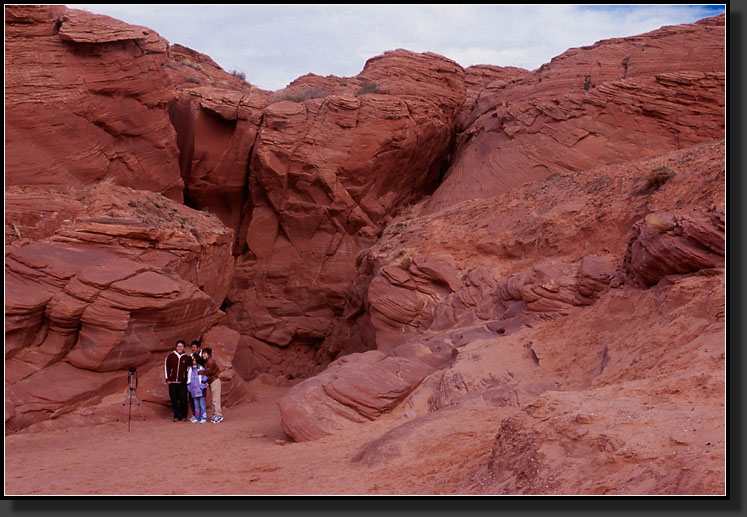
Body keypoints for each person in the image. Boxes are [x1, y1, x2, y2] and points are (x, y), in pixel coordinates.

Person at [164, 340, 190, 421]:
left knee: (183, 399)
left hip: (182, 382)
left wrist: (187, 380)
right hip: (172, 382)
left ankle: (183, 415)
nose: (179, 348)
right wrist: (167, 378)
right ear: (176, 347)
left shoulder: (186, 357)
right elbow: (166, 367)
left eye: (181, 346)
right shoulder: (170, 356)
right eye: (178, 346)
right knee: (174, 399)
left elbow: (188, 370)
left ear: (184, 347)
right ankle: (175, 415)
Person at [200, 348, 223, 423]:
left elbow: (209, 371)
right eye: (203, 353)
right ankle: (215, 414)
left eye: (205, 353)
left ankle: (218, 415)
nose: (204, 354)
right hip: (212, 381)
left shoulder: (210, 361)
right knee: (213, 399)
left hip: (215, 381)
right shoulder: (207, 361)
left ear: (209, 354)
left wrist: (200, 372)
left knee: (216, 399)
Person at [186, 354, 208, 423]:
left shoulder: (201, 368)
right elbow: (189, 380)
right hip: (193, 390)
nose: (194, 362)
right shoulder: (191, 369)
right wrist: (189, 388)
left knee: (202, 404)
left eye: (195, 360)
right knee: (196, 405)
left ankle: (203, 418)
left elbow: (205, 378)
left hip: (201, 390)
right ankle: (197, 417)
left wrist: (202, 386)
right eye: (193, 360)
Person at [186, 340, 202, 419]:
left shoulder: (203, 355)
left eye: (194, 347)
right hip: (192, 380)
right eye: (192, 347)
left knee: (201, 399)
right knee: (192, 398)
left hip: (200, 380)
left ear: (198, 348)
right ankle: (195, 414)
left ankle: (202, 415)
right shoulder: (190, 356)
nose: (192, 349)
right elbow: (188, 367)